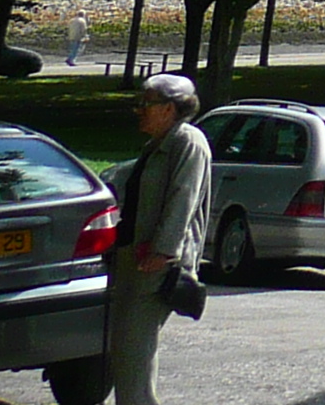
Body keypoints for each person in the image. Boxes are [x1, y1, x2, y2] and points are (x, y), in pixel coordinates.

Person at [106, 73, 212, 405]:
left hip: (156, 263)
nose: (140, 109)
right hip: (135, 258)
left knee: (133, 350)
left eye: (146, 103)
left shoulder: (187, 142)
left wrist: (164, 252)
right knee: (126, 348)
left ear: (168, 109)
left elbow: (184, 199)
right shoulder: (160, 143)